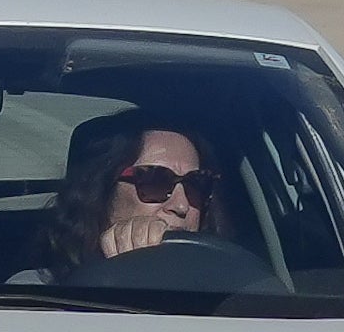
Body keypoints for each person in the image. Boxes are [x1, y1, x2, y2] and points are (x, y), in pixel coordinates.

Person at [47, 107, 226, 281]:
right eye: (155, 180)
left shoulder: (228, 287)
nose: (181, 206)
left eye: (195, 183)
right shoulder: (38, 295)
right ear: (101, 193)